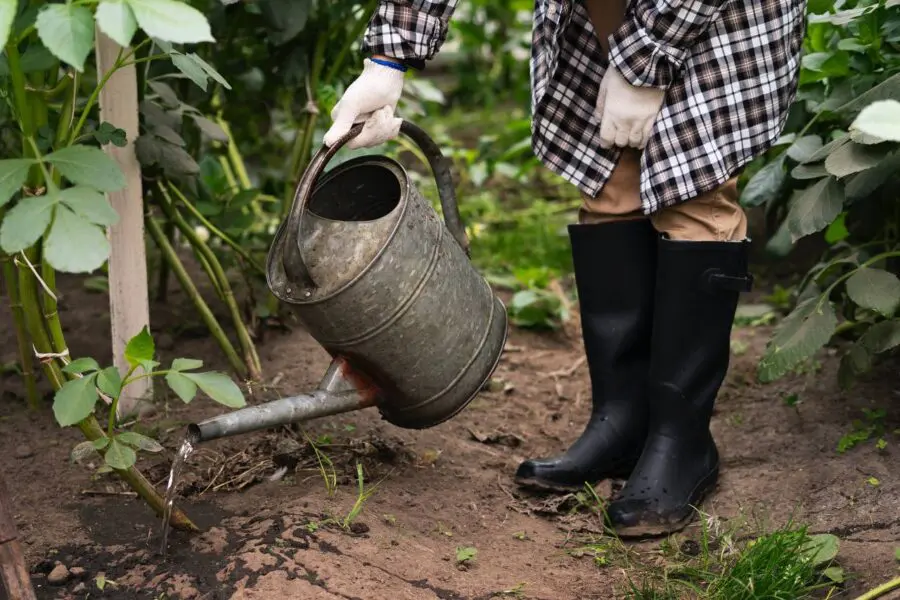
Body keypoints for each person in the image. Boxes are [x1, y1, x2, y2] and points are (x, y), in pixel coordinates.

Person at [323, 0, 806, 537]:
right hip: (605, 13)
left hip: (707, 16)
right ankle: (622, 421)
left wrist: (645, 61)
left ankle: (681, 440)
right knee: (611, 184)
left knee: (692, 195)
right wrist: (387, 62)